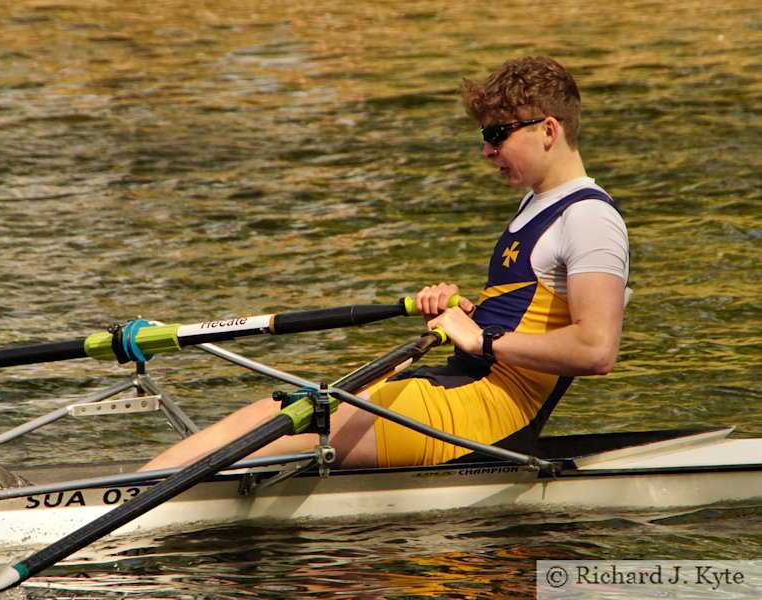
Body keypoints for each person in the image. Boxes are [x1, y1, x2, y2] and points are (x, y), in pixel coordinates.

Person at [139, 56, 629, 472]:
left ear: (548, 130)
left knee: (284, 422)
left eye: (497, 134)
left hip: (487, 416)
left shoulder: (589, 219)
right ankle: (137, 490)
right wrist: (467, 313)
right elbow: (532, 318)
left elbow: (595, 349)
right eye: (484, 134)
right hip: (460, 385)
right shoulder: (538, 204)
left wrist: (480, 337)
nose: (486, 149)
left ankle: (112, 505)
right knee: (291, 410)